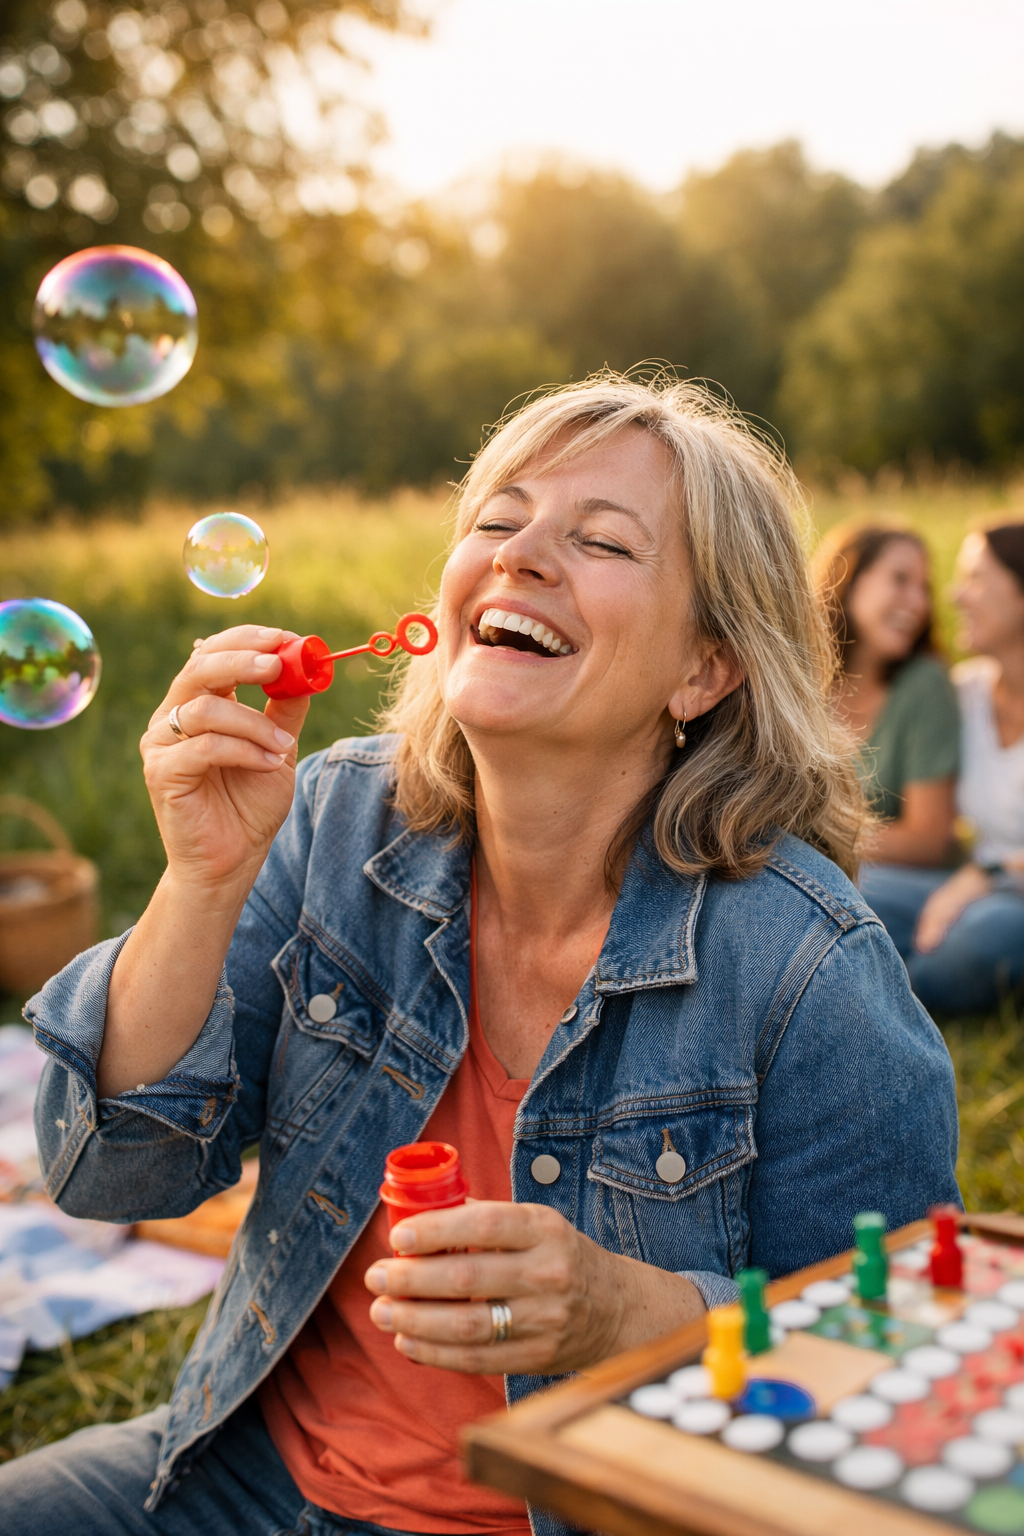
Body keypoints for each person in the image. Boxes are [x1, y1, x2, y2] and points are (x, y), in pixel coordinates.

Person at [5, 377, 959, 1536]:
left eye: (601, 539)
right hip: (236, 1478)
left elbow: (900, 1372)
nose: (523, 556)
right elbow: (113, 1176)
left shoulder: (808, 968)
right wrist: (201, 883)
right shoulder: (334, 822)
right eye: (496, 522)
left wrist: (628, 1314)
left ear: (703, 671)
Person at [872, 521, 1024, 1013]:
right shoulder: (966, 693)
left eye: (975, 578)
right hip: (959, 889)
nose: (956, 596)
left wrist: (988, 875)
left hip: (1003, 899)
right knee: (858, 887)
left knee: (988, 935)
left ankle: (873, 1004)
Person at [812, 522, 960, 894]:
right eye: (900, 580)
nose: (919, 603)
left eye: (924, 588)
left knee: (832, 893)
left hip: (904, 886)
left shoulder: (924, 685)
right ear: (850, 578)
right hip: (828, 874)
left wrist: (810, 841)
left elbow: (927, 840)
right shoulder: (799, 684)